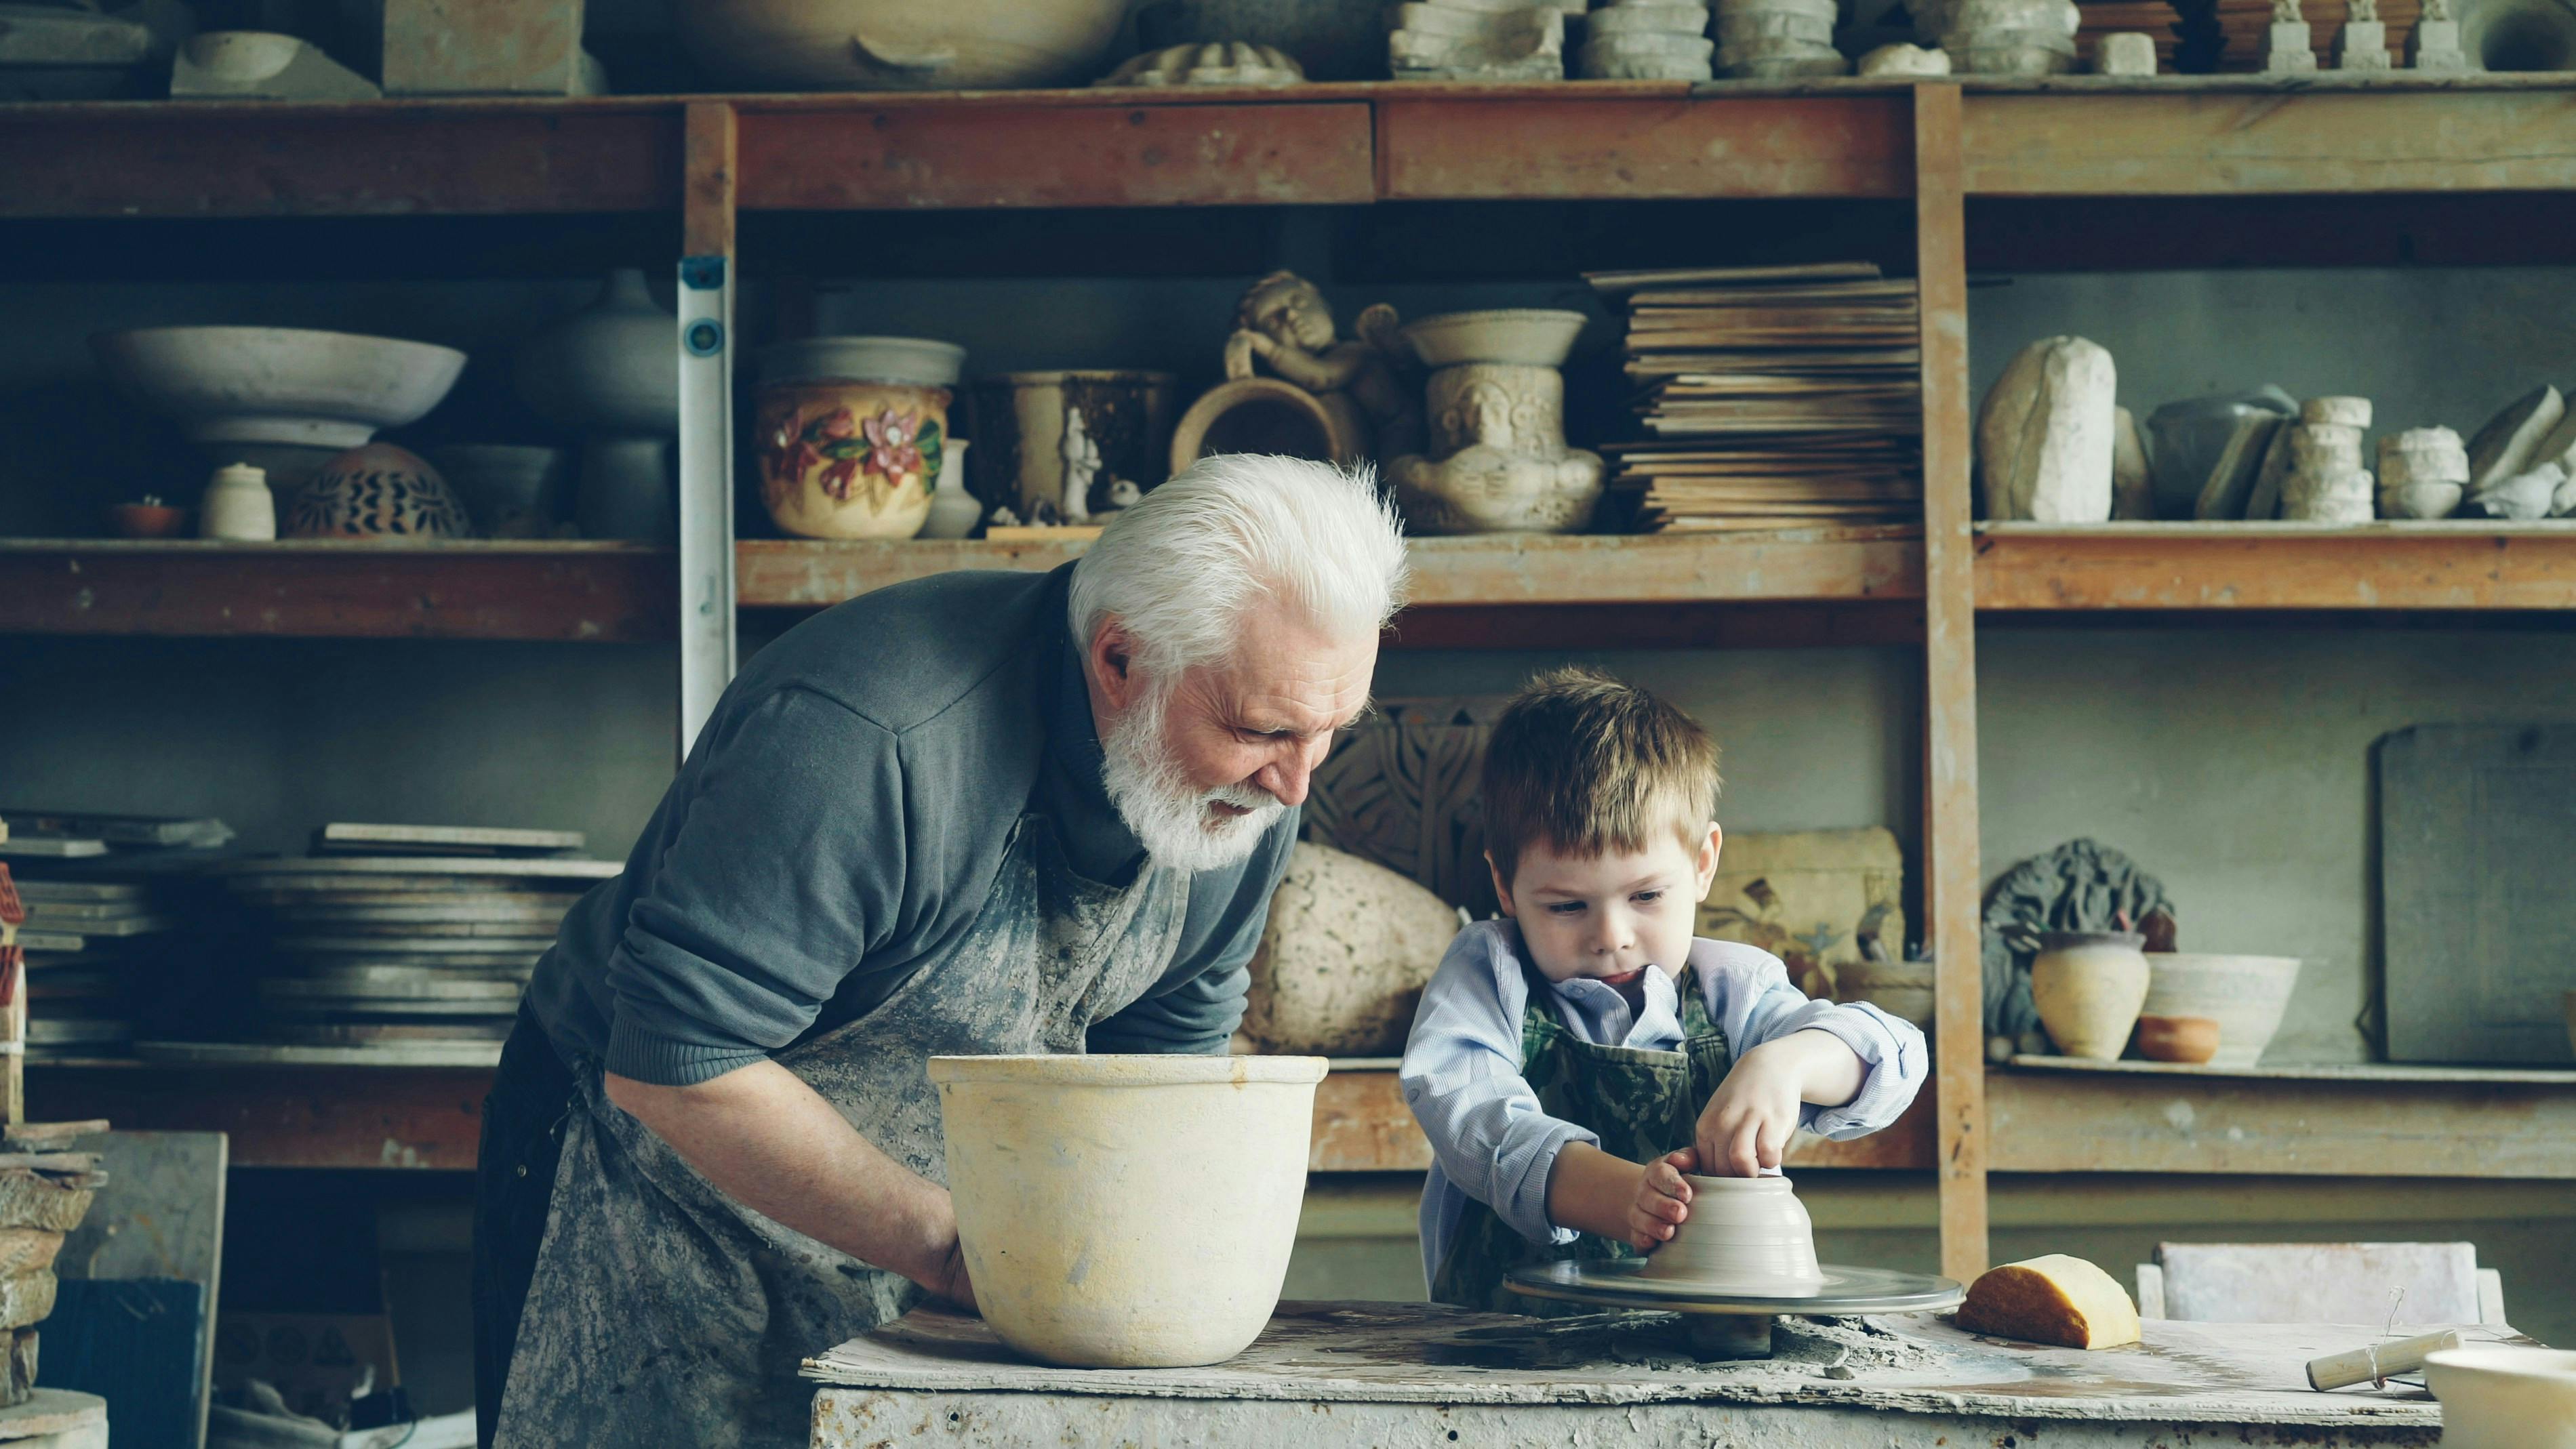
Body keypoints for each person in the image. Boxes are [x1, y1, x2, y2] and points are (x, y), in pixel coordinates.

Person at [472, 454, 1409, 1447]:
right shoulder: (870, 737)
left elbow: (1160, 1072)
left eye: (1330, 730)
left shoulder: (1250, 790)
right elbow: (675, 1059)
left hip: (934, 1226)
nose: (1295, 787)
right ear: (1119, 659)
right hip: (652, 1176)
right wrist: (965, 1251)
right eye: (1262, 730)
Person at [1398, 668, 1927, 1311]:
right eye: (1567, 907)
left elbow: (1895, 1054)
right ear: (1505, 886)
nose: (1611, 937)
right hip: (1503, 1337)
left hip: (1700, 1339)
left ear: (1703, 863)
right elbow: (1470, 1113)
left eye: (1646, 896)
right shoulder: (1491, 972)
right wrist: (1621, 1199)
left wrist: (1788, 1062)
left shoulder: (1733, 988)